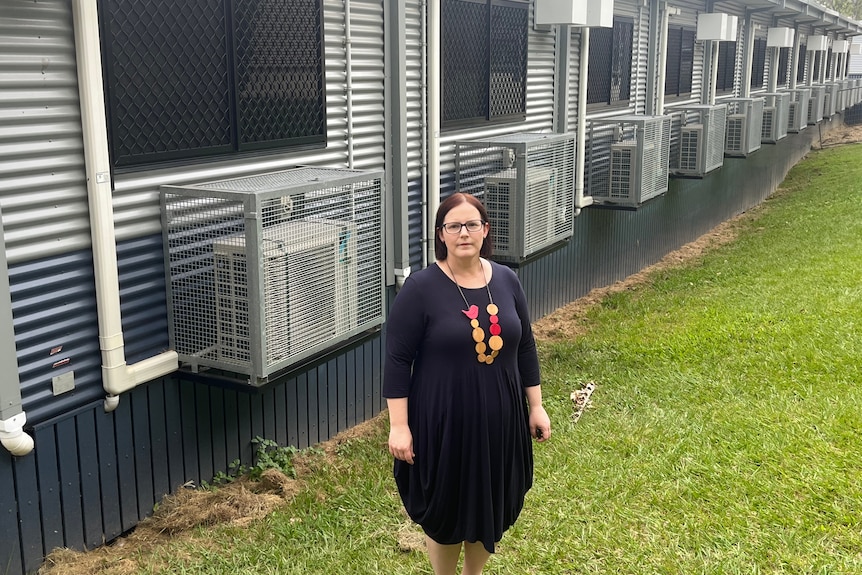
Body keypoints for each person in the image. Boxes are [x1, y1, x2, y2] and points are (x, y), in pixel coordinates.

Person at [383, 192, 551, 575]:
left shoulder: (507, 280)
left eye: (471, 224)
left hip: (501, 421)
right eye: (453, 225)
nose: (463, 233)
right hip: (442, 423)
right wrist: (398, 426)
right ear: (441, 234)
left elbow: (524, 343)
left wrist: (536, 405)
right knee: (446, 506)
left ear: (485, 230)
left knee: (490, 500)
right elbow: (397, 361)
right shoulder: (420, 288)